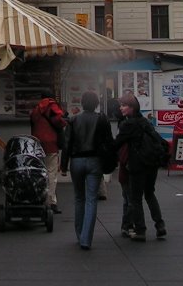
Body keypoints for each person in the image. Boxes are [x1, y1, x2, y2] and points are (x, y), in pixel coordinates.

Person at [60, 91, 115, 250]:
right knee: (91, 198)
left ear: (82, 103)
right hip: (95, 161)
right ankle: (86, 238)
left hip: (76, 161)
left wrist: (64, 166)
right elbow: (108, 142)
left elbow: (67, 144)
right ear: (97, 103)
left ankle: (79, 234)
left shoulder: (73, 120)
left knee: (79, 198)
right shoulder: (102, 119)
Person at [113, 94, 166, 242]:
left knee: (135, 198)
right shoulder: (145, 122)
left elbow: (117, 144)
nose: (121, 108)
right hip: (152, 163)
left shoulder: (127, 125)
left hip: (137, 165)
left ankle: (140, 229)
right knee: (150, 194)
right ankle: (159, 225)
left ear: (131, 108)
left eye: (124, 105)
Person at [29, 90, 67, 214]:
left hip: (37, 143)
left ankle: (39, 198)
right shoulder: (51, 106)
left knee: (39, 171)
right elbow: (59, 121)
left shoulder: (36, 109)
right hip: (51, 143)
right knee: (51, 173)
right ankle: (51, 201)